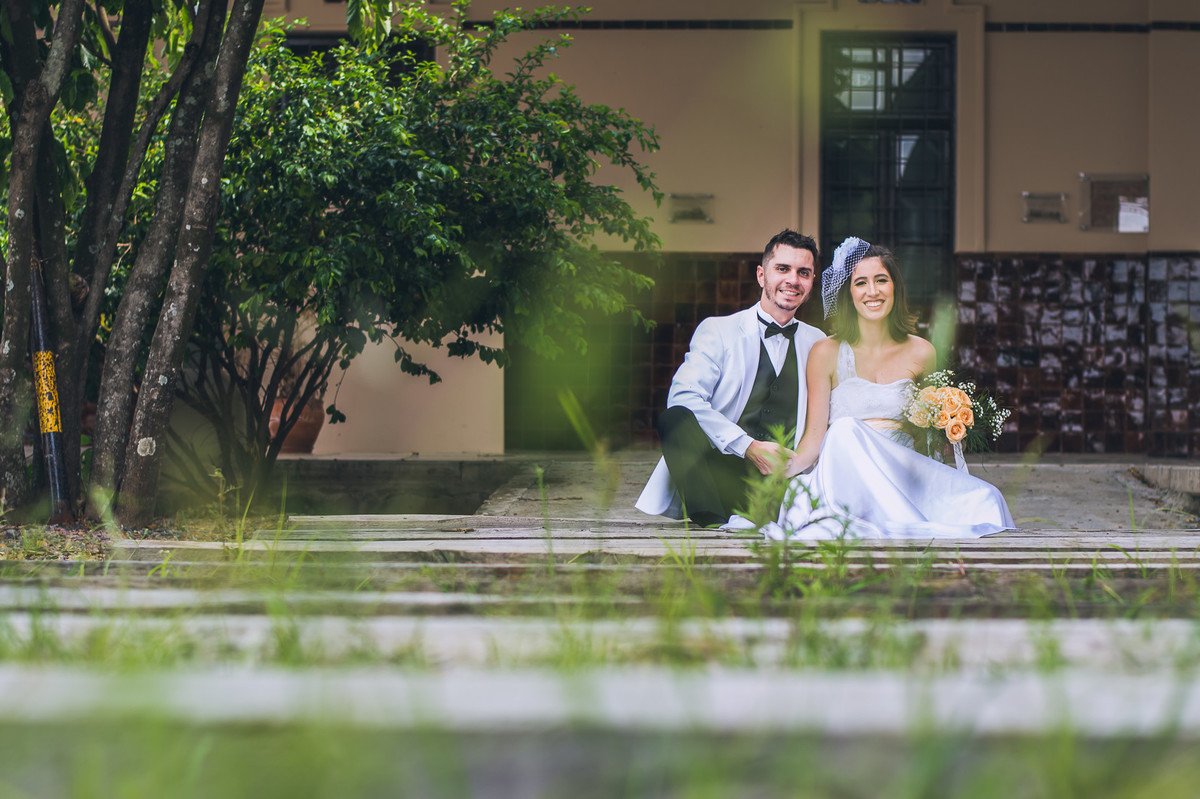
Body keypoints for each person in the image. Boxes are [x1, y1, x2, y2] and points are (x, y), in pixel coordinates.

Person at [766, 236, 1015, 540]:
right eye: (861, 283)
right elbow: (815, 438)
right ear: (848, 293)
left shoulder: (922, 352)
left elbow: (926, 438)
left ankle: (903, 517)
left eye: (881, 280)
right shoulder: (825, 352)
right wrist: (779, 472)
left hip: (902, 469)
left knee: (986, 500)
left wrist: (949, 426)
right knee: (844, 431)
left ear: (895, 287)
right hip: (845, 473)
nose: (872, 291)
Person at [636, 229, 826, 527]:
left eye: (804, 272)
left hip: (783, 484)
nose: (793, 280)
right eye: (782, 269)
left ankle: (760, 516)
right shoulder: (719, 330)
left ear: (812, 281)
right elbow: (683, 397)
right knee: (675, 419)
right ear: (762, 275)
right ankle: (712, 520)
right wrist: (748, 446)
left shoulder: (819, 342)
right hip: (720, 475)